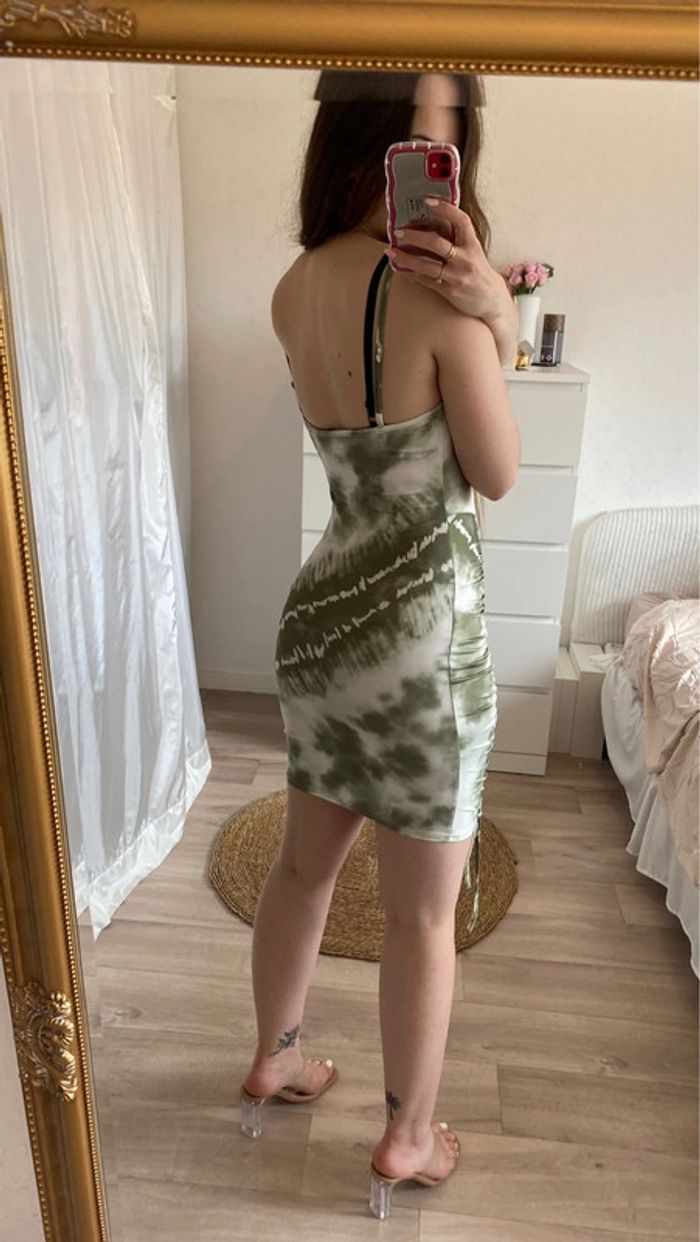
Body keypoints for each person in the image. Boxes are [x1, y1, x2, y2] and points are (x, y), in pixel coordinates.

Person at [239, 69, 520, 1219]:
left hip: (323, 622)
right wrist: (496, 317)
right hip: (421, 648)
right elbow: (495, 473)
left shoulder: (292, 285)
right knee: (419, 914)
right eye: (432, 134)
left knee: (303, 865)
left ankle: (277, 1059)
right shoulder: (441, 305)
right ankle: (408, 1134)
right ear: (397, 146)